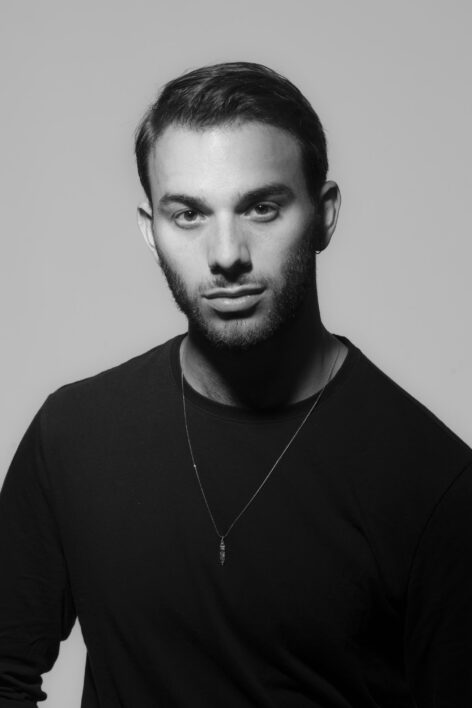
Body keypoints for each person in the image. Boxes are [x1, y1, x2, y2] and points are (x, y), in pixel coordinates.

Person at [0, 61, 471, 708]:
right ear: (151, 232)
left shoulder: (437, 484)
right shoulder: (73, 434)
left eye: (262, 207)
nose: (227, 254)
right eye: (188, 215)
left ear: (325, 215)